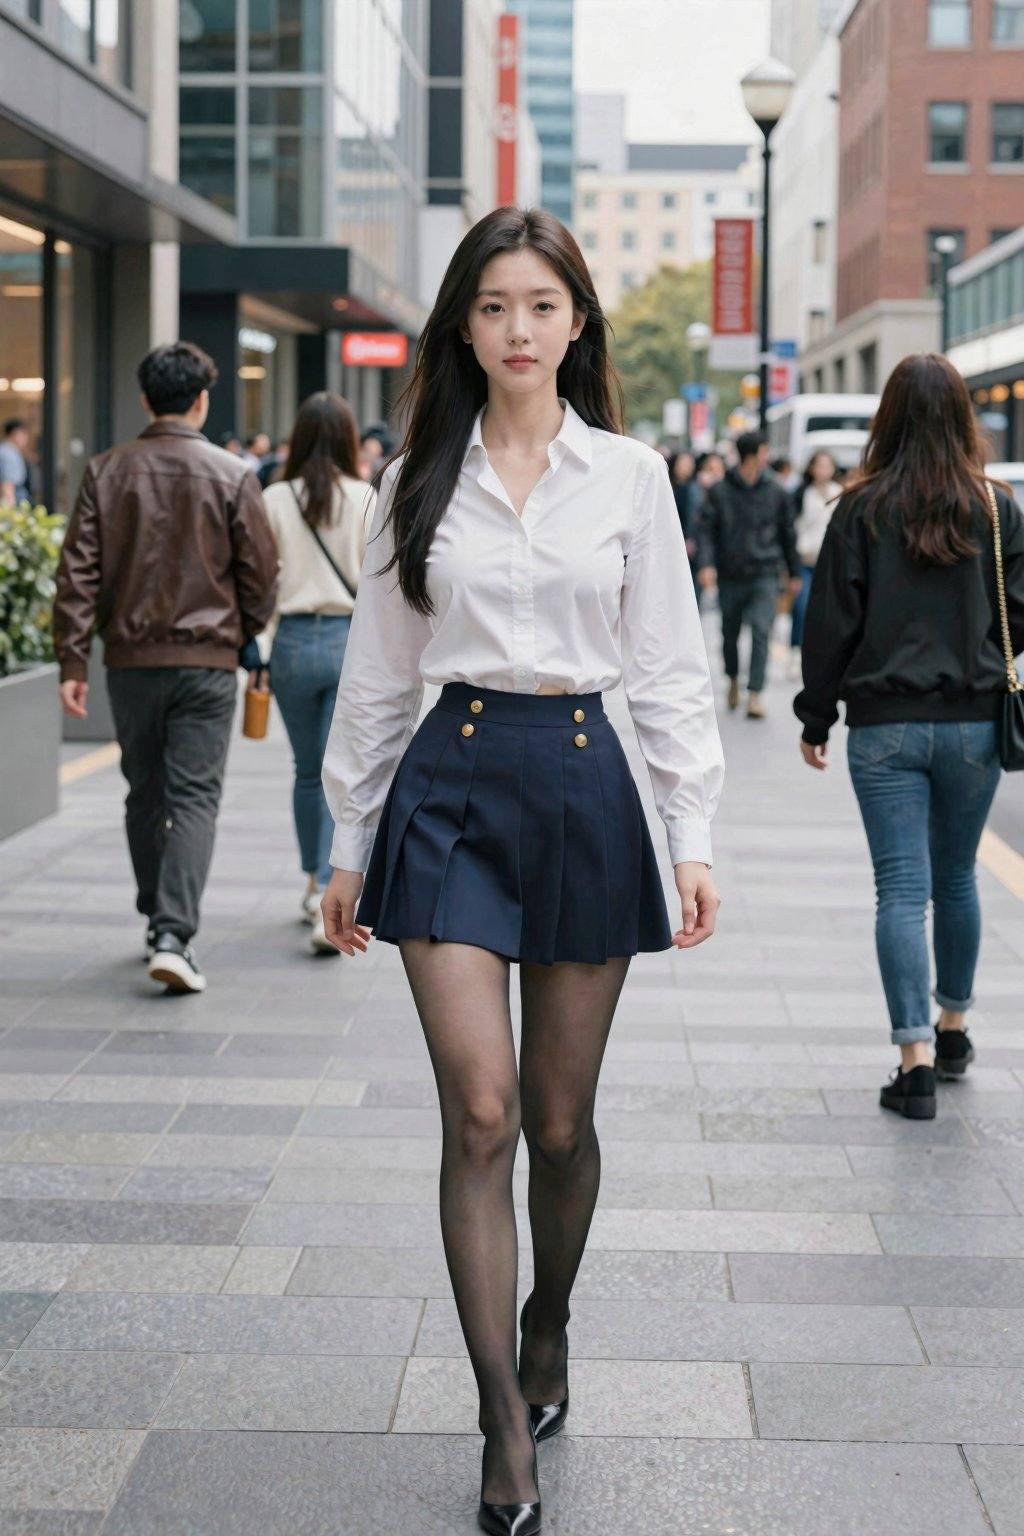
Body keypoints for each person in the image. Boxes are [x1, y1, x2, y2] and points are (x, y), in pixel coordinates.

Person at [319, 206, 724, 1535]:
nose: (516, 331)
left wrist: (694, 833)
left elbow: (665, 663)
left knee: (558, 1121)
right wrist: (348, 839)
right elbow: (378, 675)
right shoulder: (416, 482)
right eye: (492, 307)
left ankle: (550, 1321)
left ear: (576, 322)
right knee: (481, 1114)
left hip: (583, 785)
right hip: (449, 787)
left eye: (539, 306)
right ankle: (502, 1415)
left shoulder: (630, 477)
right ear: (463, 325)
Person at [795, 354, 1024, 1121]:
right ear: (963, 418)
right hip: (974, 726)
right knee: (957, 879)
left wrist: (815, 715)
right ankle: (955, 1027)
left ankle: (915, 1060)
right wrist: (986, 651)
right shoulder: (996, 509)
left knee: (900, 889)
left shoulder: (859, 510)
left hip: (884, 728)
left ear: (886, 419)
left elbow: (829, 623)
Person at [52, 342, 279, 994]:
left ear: (146, 400)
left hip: (129, 663)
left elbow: (78, 575)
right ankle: (173, 933)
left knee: (143, 790)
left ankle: (157, 912)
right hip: (208, 664)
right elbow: (260, 576)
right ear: (202, 400)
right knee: (196, 797)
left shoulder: (105, 471)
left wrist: (73, 658)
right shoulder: (233, 474)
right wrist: (245, 631)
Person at [258, 394, 372, 954]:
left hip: (293, 643)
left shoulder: (275, 498)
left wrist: (257, 647)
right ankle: (330, 886)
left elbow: (261, 583)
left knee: (307, 770)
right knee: (341, 771)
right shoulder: (365, 497)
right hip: (348, 642)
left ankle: (313, 883)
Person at [697, 430, 802, 719]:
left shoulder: (777, 491)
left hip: (765, 573)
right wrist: (706, 565)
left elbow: (787, 534)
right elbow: (706, 531)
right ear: (754, 454)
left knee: (761, 631)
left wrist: (793, 571)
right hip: (731, 573)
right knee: (729, 633)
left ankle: (755, 693)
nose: (768, 456)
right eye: (765, 451)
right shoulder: (720, 490)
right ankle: (732, 679)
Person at [789, 450, 842, 673]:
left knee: (827, 609)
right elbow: (792, 527)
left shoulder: (839, 492)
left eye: (827, 465)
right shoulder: (802, 493)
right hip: (805, 560)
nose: (823, 470)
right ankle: (795, 652)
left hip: (829, 561)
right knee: (802, 607)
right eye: (819, 465)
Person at [668, 449, 701, 605]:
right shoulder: (668, 485)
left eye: (689, 463)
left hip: (688, 543)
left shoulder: (694, 488)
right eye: (683, 463)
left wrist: (690, 538)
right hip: (670, 541)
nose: (686, 467)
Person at [0, 419, 31, 506]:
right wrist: (11, 513)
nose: (26, 438)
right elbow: (7, 486)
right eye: (23, 434)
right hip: (11, 504)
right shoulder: (8, 454)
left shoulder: (6, 451)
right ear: (14, 433)